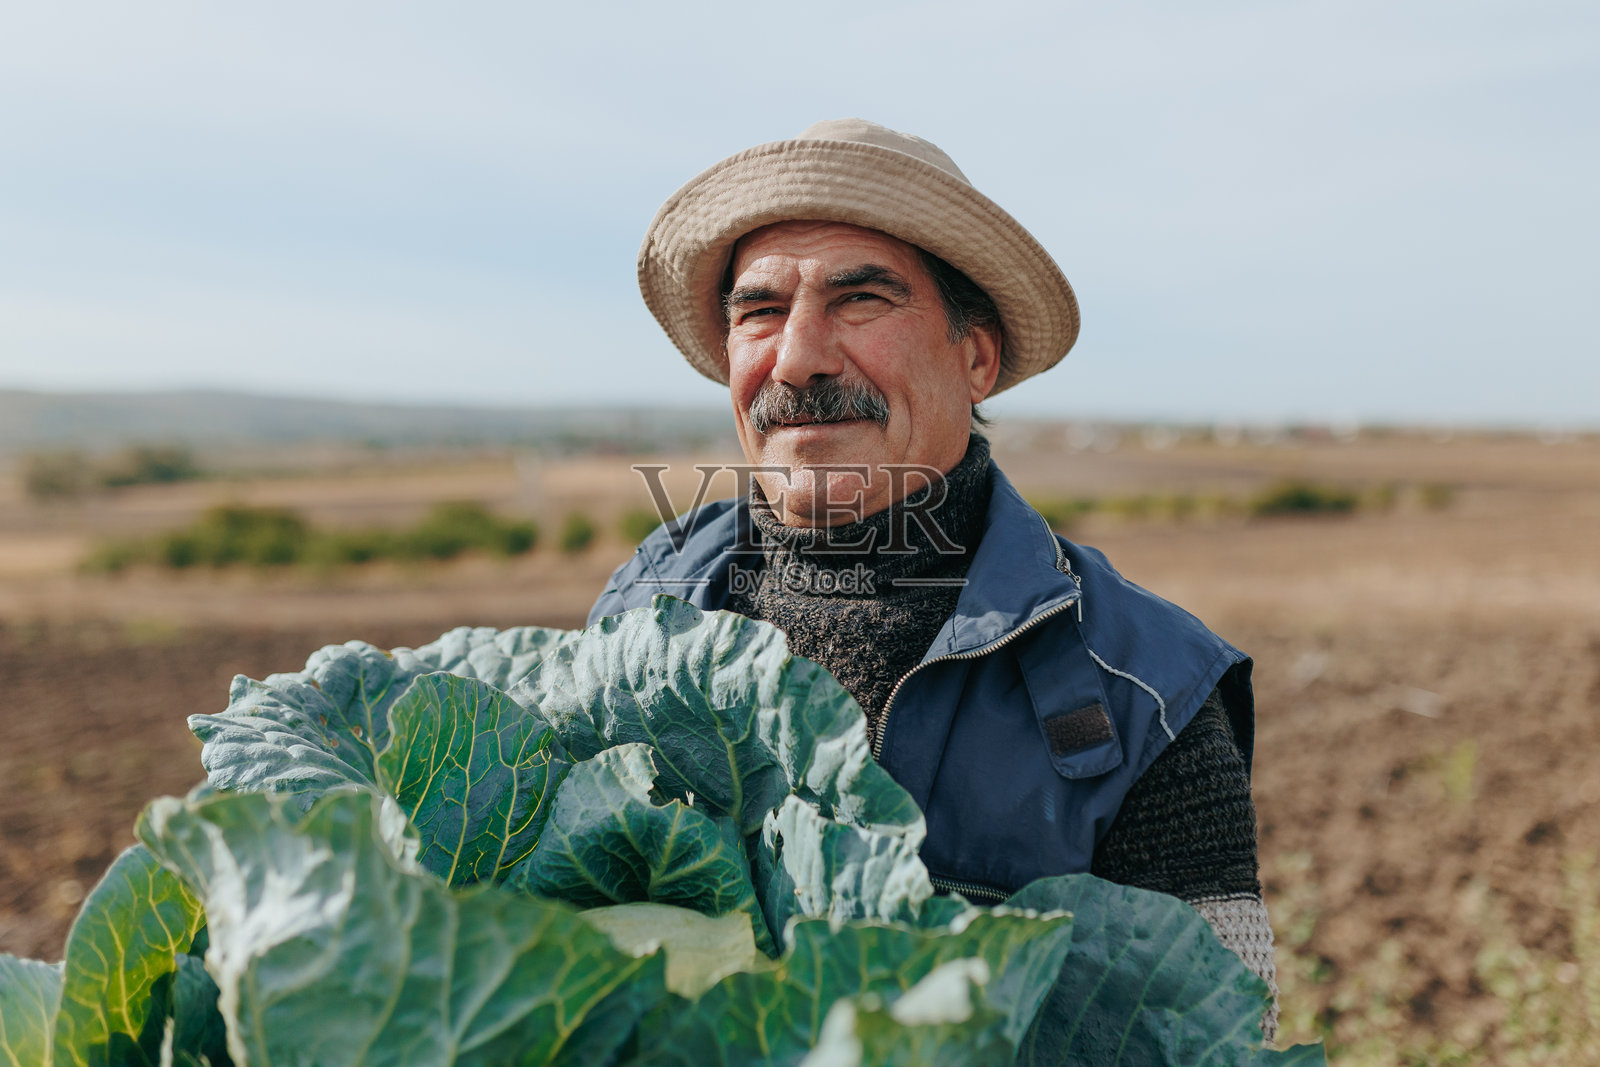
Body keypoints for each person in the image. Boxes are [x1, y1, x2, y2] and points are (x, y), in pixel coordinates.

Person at [589, 118, 1277, 1038]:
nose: (798, 357)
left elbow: (1215, 1045)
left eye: (861, 299)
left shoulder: (1144, 691)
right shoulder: (640, 615)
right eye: (758, 311)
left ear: (976, 357)